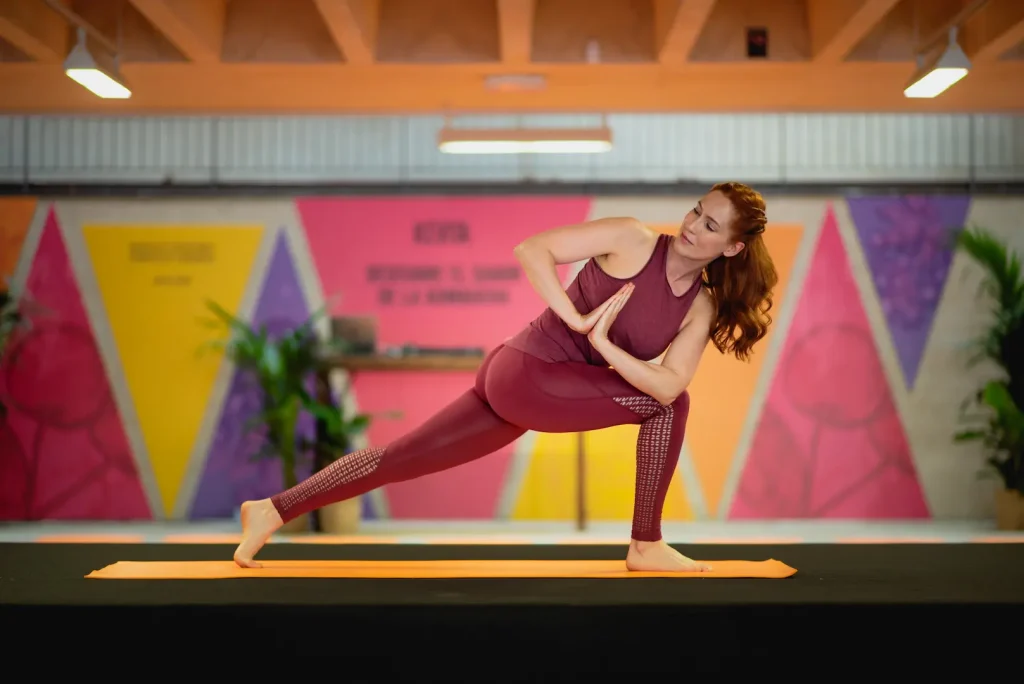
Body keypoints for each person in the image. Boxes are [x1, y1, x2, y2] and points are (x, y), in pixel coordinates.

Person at [233, 181, 778, 571]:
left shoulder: (700, 307)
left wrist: (605, 343)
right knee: (671, 410)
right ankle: (646, 544)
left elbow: (668, 383)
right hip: (530, 375)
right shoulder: (633, 238)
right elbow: (532, 249)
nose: (691, 225)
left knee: (398, 458)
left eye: (709, 224)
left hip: (525, 380)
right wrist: (579, 320)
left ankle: (270, 510)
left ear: (732, 246)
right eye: (695, 210)